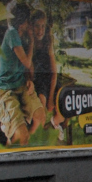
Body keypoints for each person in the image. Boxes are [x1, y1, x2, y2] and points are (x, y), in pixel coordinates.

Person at [0, 3, 46, 147]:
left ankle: (24, 141)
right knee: (22, 136)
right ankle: (12, 133)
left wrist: (30, 80)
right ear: (24, 22)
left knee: (41, 116)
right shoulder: (12, 34)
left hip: (21, 84)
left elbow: (29, 68)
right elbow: (27, 62)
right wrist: (32, 41)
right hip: (8, 90)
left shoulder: (22, 36)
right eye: (29, 21)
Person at [30, 9, 67, 143]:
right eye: (37, 26)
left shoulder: (48, 42)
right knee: (41, 106)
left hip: (51, 80)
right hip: (38, 82)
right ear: (31, 27)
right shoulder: (30, 43)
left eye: (43, 26)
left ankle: (54, 125)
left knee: (63, 107)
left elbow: (53, 73)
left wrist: (51, 97)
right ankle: (44, 133)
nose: (40, 30)